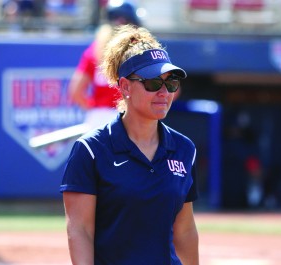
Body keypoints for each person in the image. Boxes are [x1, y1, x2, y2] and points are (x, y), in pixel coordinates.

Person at [60, 24, 199, 265]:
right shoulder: (91, 150)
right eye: (153, 83)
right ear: (125, 86)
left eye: (171, 83)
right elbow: (79, 230)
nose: (164, 92)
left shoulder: (185, 149)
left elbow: (185, 230)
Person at [68, 0, 141, 130]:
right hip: (128, 117)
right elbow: (170, 90)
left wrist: (97, 109)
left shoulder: (94, 49)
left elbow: (75, 91)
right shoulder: (138, 50)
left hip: (98, 119)